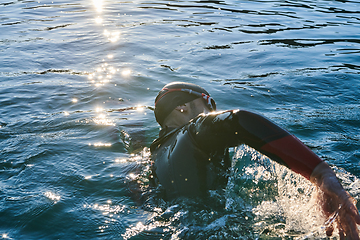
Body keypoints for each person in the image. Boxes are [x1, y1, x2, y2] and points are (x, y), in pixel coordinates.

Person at [149, 82, 360, 238]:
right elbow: (236, 120)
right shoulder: (193, 133)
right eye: (209, 103)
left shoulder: (153, 164)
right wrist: (321, 174)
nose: (213, 111)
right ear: (182, 107)